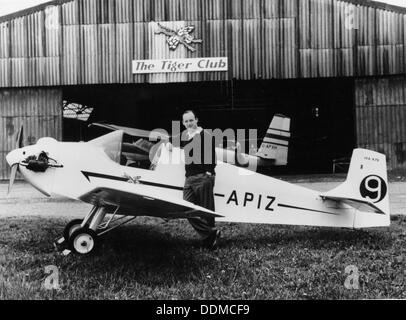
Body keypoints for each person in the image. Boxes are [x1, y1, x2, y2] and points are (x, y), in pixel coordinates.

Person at [168, 110, 221, 250]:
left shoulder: (206, 135)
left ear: (196, 120)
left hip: (203, 176)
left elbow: (212, 157)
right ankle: (211, 233)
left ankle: (210, 242)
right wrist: (169, 144)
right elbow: (171, 141)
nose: (188, 123)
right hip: (189, 178)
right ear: (183, 123)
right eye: (186, 121)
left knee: (206, 211)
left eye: (191, 120)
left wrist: (209, 173)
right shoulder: (185, 135)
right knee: (186, 209)